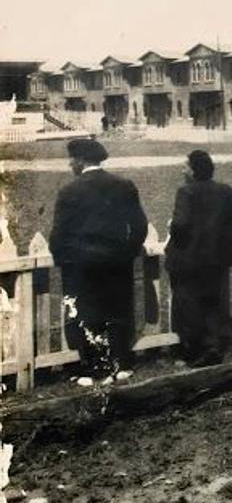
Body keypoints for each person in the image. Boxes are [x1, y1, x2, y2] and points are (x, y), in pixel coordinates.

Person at [49, 138, 148, 379]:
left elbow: (59, 233)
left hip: (82, 263)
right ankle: (122, 364)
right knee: (118, 310)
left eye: (72, 159)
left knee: (85, 313)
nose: (70, 164)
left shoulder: (70, 190)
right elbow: (139, 225)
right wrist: (128, 251)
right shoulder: (124, 185)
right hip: (116, 260)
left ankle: (91, 368)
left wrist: (64, 259)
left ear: (81, 160)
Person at [165, 150, 232, 367]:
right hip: (215, 257)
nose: (182, 170)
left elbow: (180, 225)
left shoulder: (186, 191)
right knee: (212, 303)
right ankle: (213, 347)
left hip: (188, 259)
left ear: (192, 170)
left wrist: (172, 226)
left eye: (185, 166)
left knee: (188, 305)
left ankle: (195, 350)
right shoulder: (225, 190)